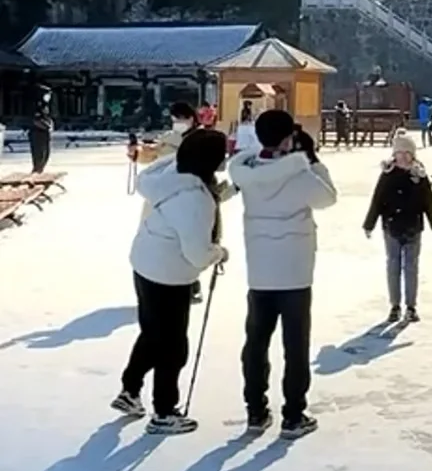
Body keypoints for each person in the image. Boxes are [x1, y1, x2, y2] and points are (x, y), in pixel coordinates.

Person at [113, 127, 230, 433]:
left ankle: (130, 390)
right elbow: (197, 254)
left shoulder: (170, 178)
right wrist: (219, 253)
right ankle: (164, 411)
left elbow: (198, 201)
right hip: (169, 275)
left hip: (145, 262)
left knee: (152, 333)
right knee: (173, 346)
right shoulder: (195, 199)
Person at [230, 109, 337, 437]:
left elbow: (250, 163)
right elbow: (328, 198)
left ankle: (255, 410)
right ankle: (293, 414)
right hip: (294, 271)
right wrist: (312, 159)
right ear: (289, 138)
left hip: (260, 270)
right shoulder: (299, 175)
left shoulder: (246, 173)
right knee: (295, 345)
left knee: (256, 342)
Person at [363, 130, 432, 322]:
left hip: (413, 225)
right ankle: (395, 305)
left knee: (411, 266)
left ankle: (411, 306)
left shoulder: (419, 175)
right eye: (400, 152)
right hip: (391, 226)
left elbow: (428, 202)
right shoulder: (388, 174)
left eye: (408, 153)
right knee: (393, 265)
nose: (404, 156)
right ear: (394, 154)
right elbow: (377, 199)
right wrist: (369, 223)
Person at [28, 95, 52, 174]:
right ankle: (36, 170)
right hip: (37, 133)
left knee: (46, 154)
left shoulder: (45, 105)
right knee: (39, 155)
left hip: (44, 133)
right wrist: (46, 126)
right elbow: (36, 121)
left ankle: (39, 170)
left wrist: (49, 126)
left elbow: (47, 118)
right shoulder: (36, 106)